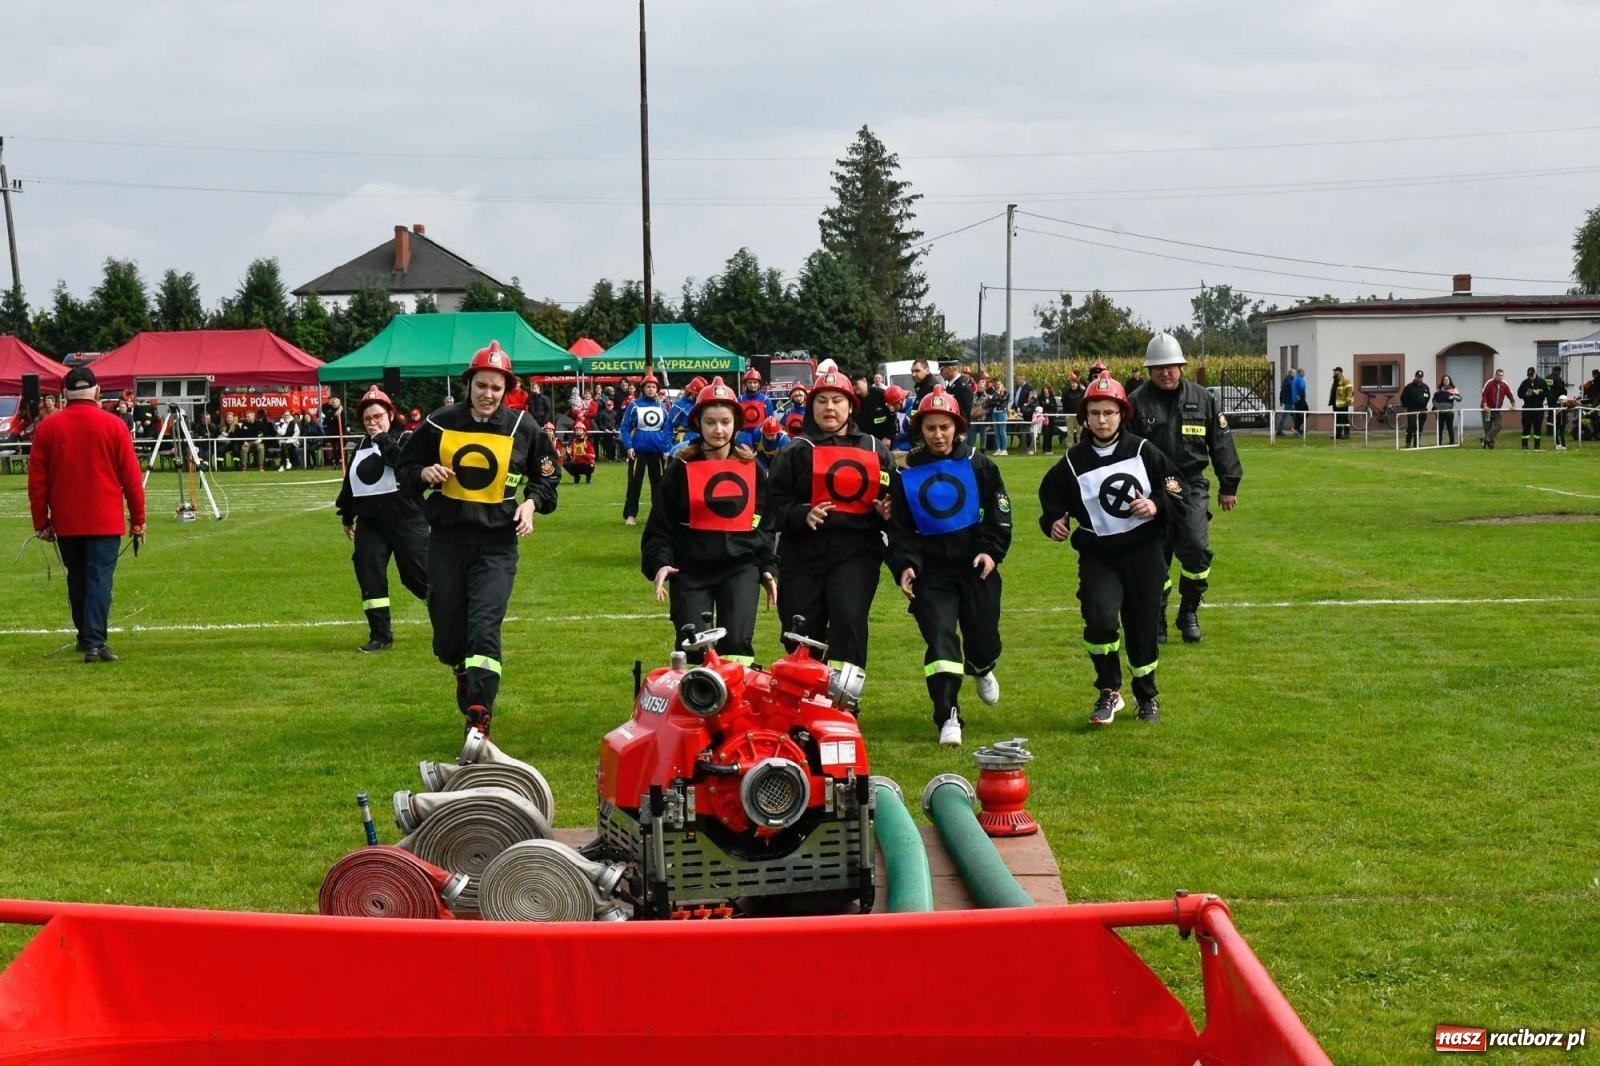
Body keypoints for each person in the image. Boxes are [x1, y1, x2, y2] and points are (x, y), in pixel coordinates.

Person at [397, 341, 560, 737]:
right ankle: (459, 668)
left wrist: (531, 505)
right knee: (450, 636)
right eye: (481, 386)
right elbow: (403, 468)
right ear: (469, 384)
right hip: (447, 543)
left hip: (498, 545)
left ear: (508, 390)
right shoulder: (439, 422)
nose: (488, 395)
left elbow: (548, 478)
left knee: (485, 627)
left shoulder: (525, 428)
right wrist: (423, 474)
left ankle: (479, 714)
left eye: (497, 388)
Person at [1038, 375, 1185, 725]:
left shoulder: (1142, 451)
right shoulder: (1072, 462)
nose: (1102, 420)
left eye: (1109, 412)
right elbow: (1051, 501)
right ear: (1084, 417)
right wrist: (1054, 522)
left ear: (1122, 414)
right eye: (1095, 413)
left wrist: (1156, 506)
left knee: (1142, 626)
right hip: (1098, 555)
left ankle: (1146, 695)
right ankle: (1108, 690)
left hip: (1144, 552)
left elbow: (1177, 489)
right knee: (1100, 618)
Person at [887, 385, 1011, 747]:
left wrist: (991, 552)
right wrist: (905, 565)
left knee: (983, 642)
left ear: (957, 427)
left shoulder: (980, 464)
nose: (938, 435)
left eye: (944, 427)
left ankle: (983, 667)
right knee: (940, 640)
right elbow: (899, 530)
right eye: (930, 428)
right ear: (920, 430)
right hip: (932, 575)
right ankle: (948, 715)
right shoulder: (906, 474)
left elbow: (1001, 515)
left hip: (977, 570)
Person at [768, 367, 893, 697]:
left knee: (848, 623)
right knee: (799, 629)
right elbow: (772, 505)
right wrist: (800, 514)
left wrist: (886, 512)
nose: (829, 407)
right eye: (821, 400)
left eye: (837, 400)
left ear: (851, 406)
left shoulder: (874, 449)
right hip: (801, 555)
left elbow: (895, 500)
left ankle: (844, 705)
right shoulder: (795, 450)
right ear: (811, 407)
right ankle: (800, 704)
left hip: (856, 552)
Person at [641, 377, 778, 665]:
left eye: (726, 422)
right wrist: (661, 562)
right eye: (711, 422)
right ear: (698, 424)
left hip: (740, 567)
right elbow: (660, 525)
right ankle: (696, 708)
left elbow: (765, 524)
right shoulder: (680, 469)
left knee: (737, 645)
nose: (719, 429)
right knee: (693, 645)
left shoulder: (752, 469)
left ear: (735, 424)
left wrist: (766, 566)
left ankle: (735, 708)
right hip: (690, 569)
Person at [1129, 333, 1242, 645]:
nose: (1167, 372)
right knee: (1155, 557)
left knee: (1195, 547)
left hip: (1190, 486)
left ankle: (1189, 611)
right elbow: (1124, 449)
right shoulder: (1136, 402)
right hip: (1151, 489)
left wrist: (1228, 484)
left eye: (1172, 366)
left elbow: (1221, 442)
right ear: (1150, 370)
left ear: (1181, 366)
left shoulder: (1203, 398)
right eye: (1159, 367)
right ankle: (1158, 616)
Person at [27, 367, 146, 663]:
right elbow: (132, 479)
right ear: (96, 391)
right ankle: (94, 641)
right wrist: (139, 520)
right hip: (105, 520)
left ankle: (85, 636)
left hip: (67, 520)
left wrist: (41, 521)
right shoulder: (115, 425)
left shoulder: (48, 427)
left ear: (65, 393)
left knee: (77, 578)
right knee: (98, 580)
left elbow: (37, 481)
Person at [335, 385, 429, 653]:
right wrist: (346, 514)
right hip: (371, 523)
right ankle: (380, 635)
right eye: (367, 419)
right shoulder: (361, 446)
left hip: (408, 521)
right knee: (369, 574)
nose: (373, 423)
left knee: (417, 576)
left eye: (377, 416)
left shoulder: (407, 439)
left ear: (390, 415)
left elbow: (404, 466)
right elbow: (351, 484)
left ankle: (450, 617)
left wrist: (383, 441)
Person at [620, 374, 672, 526]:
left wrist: (666, 448)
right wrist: (628, 446)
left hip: (657, 450)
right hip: (638, 450)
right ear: (643, 388)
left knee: (658, 483)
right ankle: (630, 514)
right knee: (635, 483)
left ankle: (658, 516)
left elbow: (667, 429)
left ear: (657, 389)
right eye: (648, 386)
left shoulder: (662, 407)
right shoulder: (634, 405)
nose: (651, 389)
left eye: (653, 387)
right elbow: (624, 427)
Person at [1481, 368, 1515, 449]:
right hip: (1488, 410)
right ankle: (1489, 444)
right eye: (1499, 375)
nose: (1500, 377)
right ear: (1495, 375)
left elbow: (1510, 395)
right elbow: (1484, 395)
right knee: (1487, 427)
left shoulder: (1504, 385)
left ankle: (1485, 440)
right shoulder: (1489, 383)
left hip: (1496, 410)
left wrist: (1513, 405)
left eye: (1502, 375)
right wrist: (1485, 406)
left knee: (1499, 425)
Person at [937, 358, 975, 425]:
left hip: (958, 428)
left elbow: (964, 414)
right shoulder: (951, 385)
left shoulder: (962, 387)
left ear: (949, 368)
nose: (940, 373)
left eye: (941, 370)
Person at [1400, 370, 1431, 448]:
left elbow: (1427, 397)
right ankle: (1408, 443)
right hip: (1412, 409)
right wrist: (1406, 405)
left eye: (1421, 377)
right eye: (1418, 377)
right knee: (1411, 426)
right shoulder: (1409, 387)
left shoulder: (1425, 387)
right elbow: (1403, 397)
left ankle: (1416, 443)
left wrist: (1424, 403)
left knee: (1420, 427)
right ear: (1415, 376)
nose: (1419, 379)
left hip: (1422, 409)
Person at [1516, 366, 1544, 449]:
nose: (1530, 378)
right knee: (1526, 427)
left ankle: (1537, 445)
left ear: (1535, 374)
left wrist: (1538, 392)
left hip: (1538, 408)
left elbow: (1546, 392)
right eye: (1529, 376)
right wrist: (1525, 394)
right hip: (1527, 408)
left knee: (1537, 428)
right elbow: (1519, 394)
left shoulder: (1541, 382)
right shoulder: (1525, 382)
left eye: (1532, 376)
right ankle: (1524, 445)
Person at [1544, 368, 1570, 451]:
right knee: (1559, 419)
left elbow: (1547, 389)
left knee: (1551, 416)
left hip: (1550, 400)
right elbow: (1561, 390)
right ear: (1558, 371)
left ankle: (1549, 431)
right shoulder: (1558, 379)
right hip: (1558, 402)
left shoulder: (1548, 377)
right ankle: (1560, 440)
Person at [1432, 375, 1462, 445]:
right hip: (1440, 412)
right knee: (1440, 428)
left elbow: (1460, 399)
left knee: (1450, 428)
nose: (1446, 381)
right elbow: (1434, 399)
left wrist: (1454, 396)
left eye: (1447, 380)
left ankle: (1451, 443)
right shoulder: (1438, 389)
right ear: (1443, 381)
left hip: (1449, 412)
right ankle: (1439, 443)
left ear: (1449, 381)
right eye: (1444, 380)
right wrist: (1436, 407)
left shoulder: (1453, 389)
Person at [1329, 367, 1354, 440]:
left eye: (1335, 372)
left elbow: (1349, 390)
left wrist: (1348, 400)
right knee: (1337, 419)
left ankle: (1346, 434)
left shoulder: (1345, 380)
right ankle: (1338, 435)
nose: (1334, 373)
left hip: (1343, 404)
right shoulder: (1335, 380)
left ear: (1339, 372)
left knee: (1344, 419)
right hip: (1335, 404)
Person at [1277, 371, 1296, 436]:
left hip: (1287, 401)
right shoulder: (1290, 382)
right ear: (1291, 374)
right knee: (1284, 416)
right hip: (1289, 402)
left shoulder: (1285, 381)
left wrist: (1281, 400)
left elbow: (1281, 392)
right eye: (1294, 373)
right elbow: (1292, 392)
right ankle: (1279, 430)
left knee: (1294, 415)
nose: (1295, 375)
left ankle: (1298, 428)